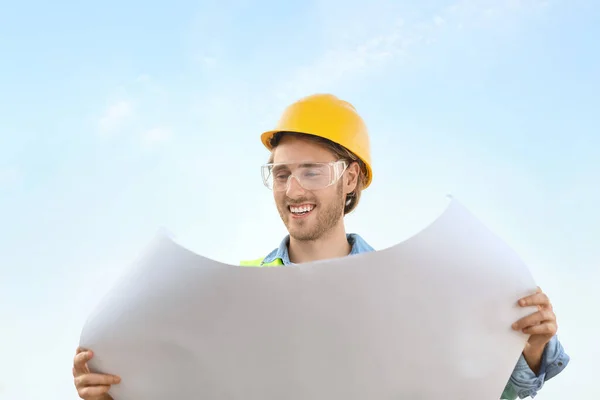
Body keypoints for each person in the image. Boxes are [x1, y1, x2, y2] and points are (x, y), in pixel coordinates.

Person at [73, 93, 569, 400]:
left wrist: (530, 347)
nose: (293, 190)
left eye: (313, 172)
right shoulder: (231, 294)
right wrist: (119, 394)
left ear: (350, 179)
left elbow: (490, 394)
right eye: (281, 173)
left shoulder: (418, 289)